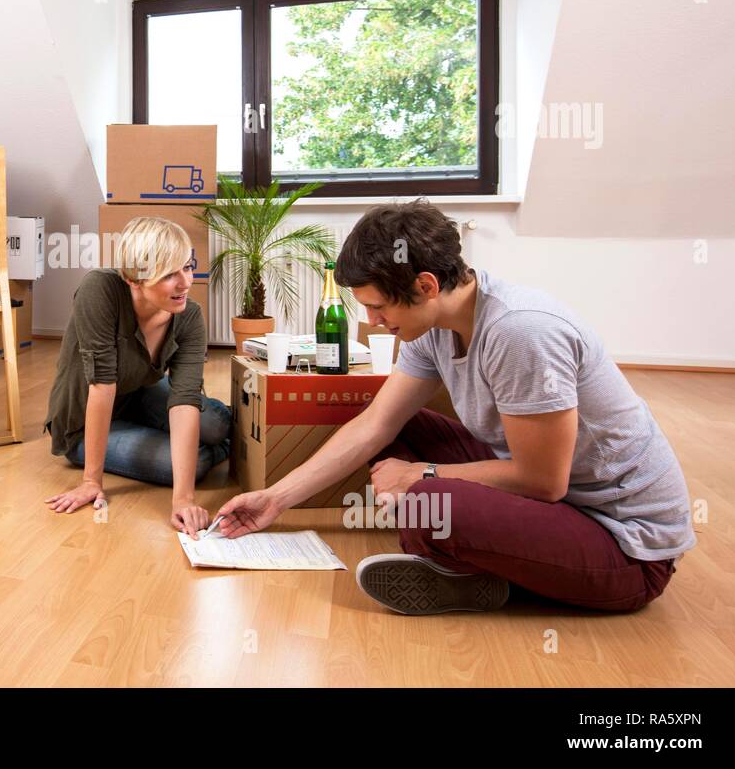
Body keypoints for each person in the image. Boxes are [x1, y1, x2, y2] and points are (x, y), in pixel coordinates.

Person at [214, 199, 696, 615]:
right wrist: (275, 499)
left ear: (425, 285)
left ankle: (478, 566)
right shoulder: (436, 326)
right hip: (551, 498)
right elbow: (374, 426)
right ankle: (477, 556)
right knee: (400, 428)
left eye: (379, 307)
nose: (373, 322)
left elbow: (544, 482)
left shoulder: (520, 332)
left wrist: (420, 475)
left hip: (624, 546)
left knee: (427, 506)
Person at [43, 216, 232, 536]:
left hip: (139, 393)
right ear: (134, 279)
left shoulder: (190, 317)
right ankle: (227, 446)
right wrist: (91, 481)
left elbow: (184, 399)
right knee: (194, 465)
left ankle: (225, 435)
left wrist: (183, 499)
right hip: (82, 421)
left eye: (187, 267)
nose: (186, 282)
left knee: (217, 425)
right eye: (169, 274)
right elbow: (102, 386)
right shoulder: (99, 290)